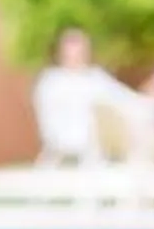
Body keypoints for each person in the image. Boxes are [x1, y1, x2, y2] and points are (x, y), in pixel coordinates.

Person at [30, 26, 137, 167]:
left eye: (80, 48)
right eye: (71, 47)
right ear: (61, 51)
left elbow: (127, 99)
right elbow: (47, 121)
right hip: (61, 153)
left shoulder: (96, 78)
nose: (75, 53)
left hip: (94, 155)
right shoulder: (50, 81)